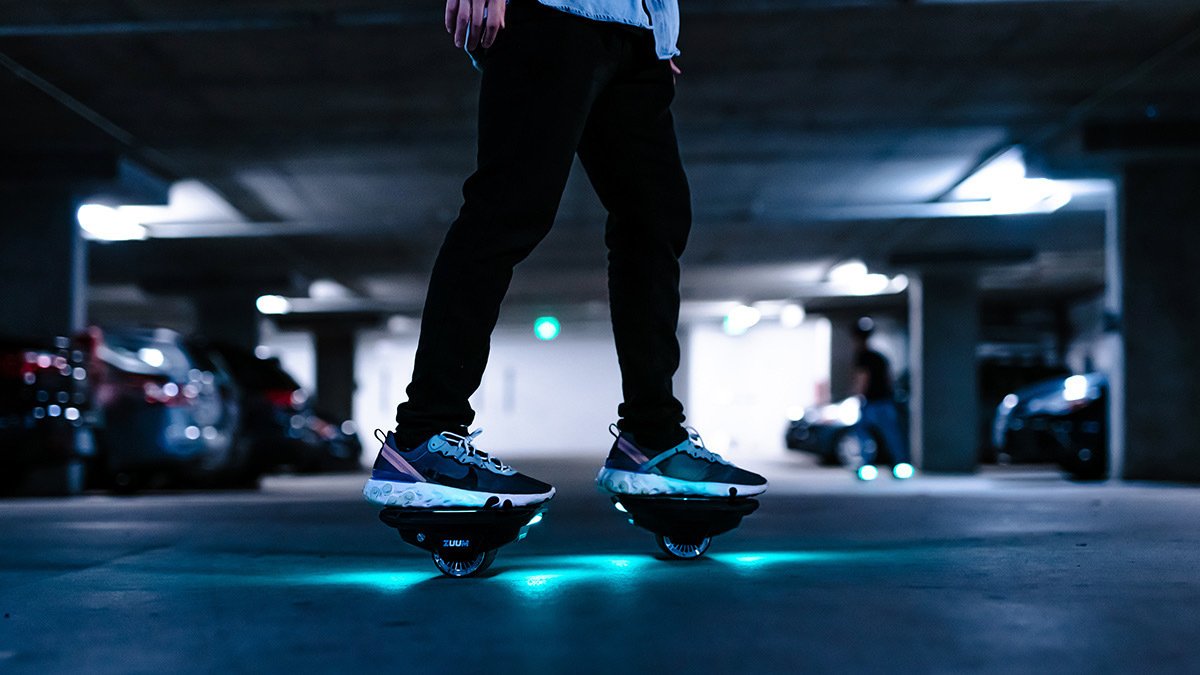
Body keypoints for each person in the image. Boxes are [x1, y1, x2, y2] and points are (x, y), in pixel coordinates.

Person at [362, 0, 767, 508]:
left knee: (656, 220)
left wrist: (660, 30)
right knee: (511, 206)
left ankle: (654, 437)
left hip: (638, 34)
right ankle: (424, 437)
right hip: (550, 12)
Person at [849, 319, 912, 480]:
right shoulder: (880, 357)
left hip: (871, 402)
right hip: (885, 401)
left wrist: (858, 396)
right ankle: (900, 463)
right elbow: (889, 379)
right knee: (891, 433)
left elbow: (864, 378)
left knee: (863, 431)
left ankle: (867, 464)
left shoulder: (863, 356)